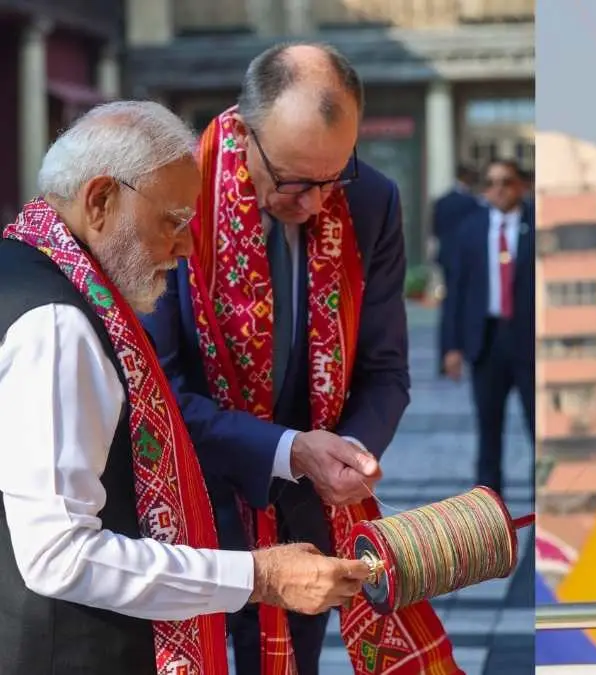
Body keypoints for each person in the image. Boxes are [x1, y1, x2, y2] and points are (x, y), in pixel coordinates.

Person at [0, 100, 370, 675]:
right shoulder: (58, 324)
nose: (184, 247)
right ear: (101, 200)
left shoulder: (28, 267)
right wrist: (259, 576)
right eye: (172, 221)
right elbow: (59, 555)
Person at [140, 44, 456, 675]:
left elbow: (386, 370)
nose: (313, 203)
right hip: (189, 504)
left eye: (332, 178)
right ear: (245, 132)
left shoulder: (371, 201)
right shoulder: (176, 190)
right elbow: (159, 389)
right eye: (292, 181)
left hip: (308, 510)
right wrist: (289, 449)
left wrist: (352, 454)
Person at [440, 158, 535, 501]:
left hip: (527, 342)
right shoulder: (471, 229)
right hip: (486, 342)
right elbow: (456, 293)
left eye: (506, 181)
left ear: (520, 186)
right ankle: (491, 515)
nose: (498, 189)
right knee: (488, 433)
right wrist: (450, 348)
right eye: (491, 182)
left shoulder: (536, 224)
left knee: (536, 429)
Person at [433, 164, 482, 375]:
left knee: (449, 307)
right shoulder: (471, 203)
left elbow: (434, 230)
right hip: (465, 261)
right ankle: (462, 352)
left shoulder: (441, 202)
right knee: (460, 305)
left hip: (446, 260)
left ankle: (445, 356)